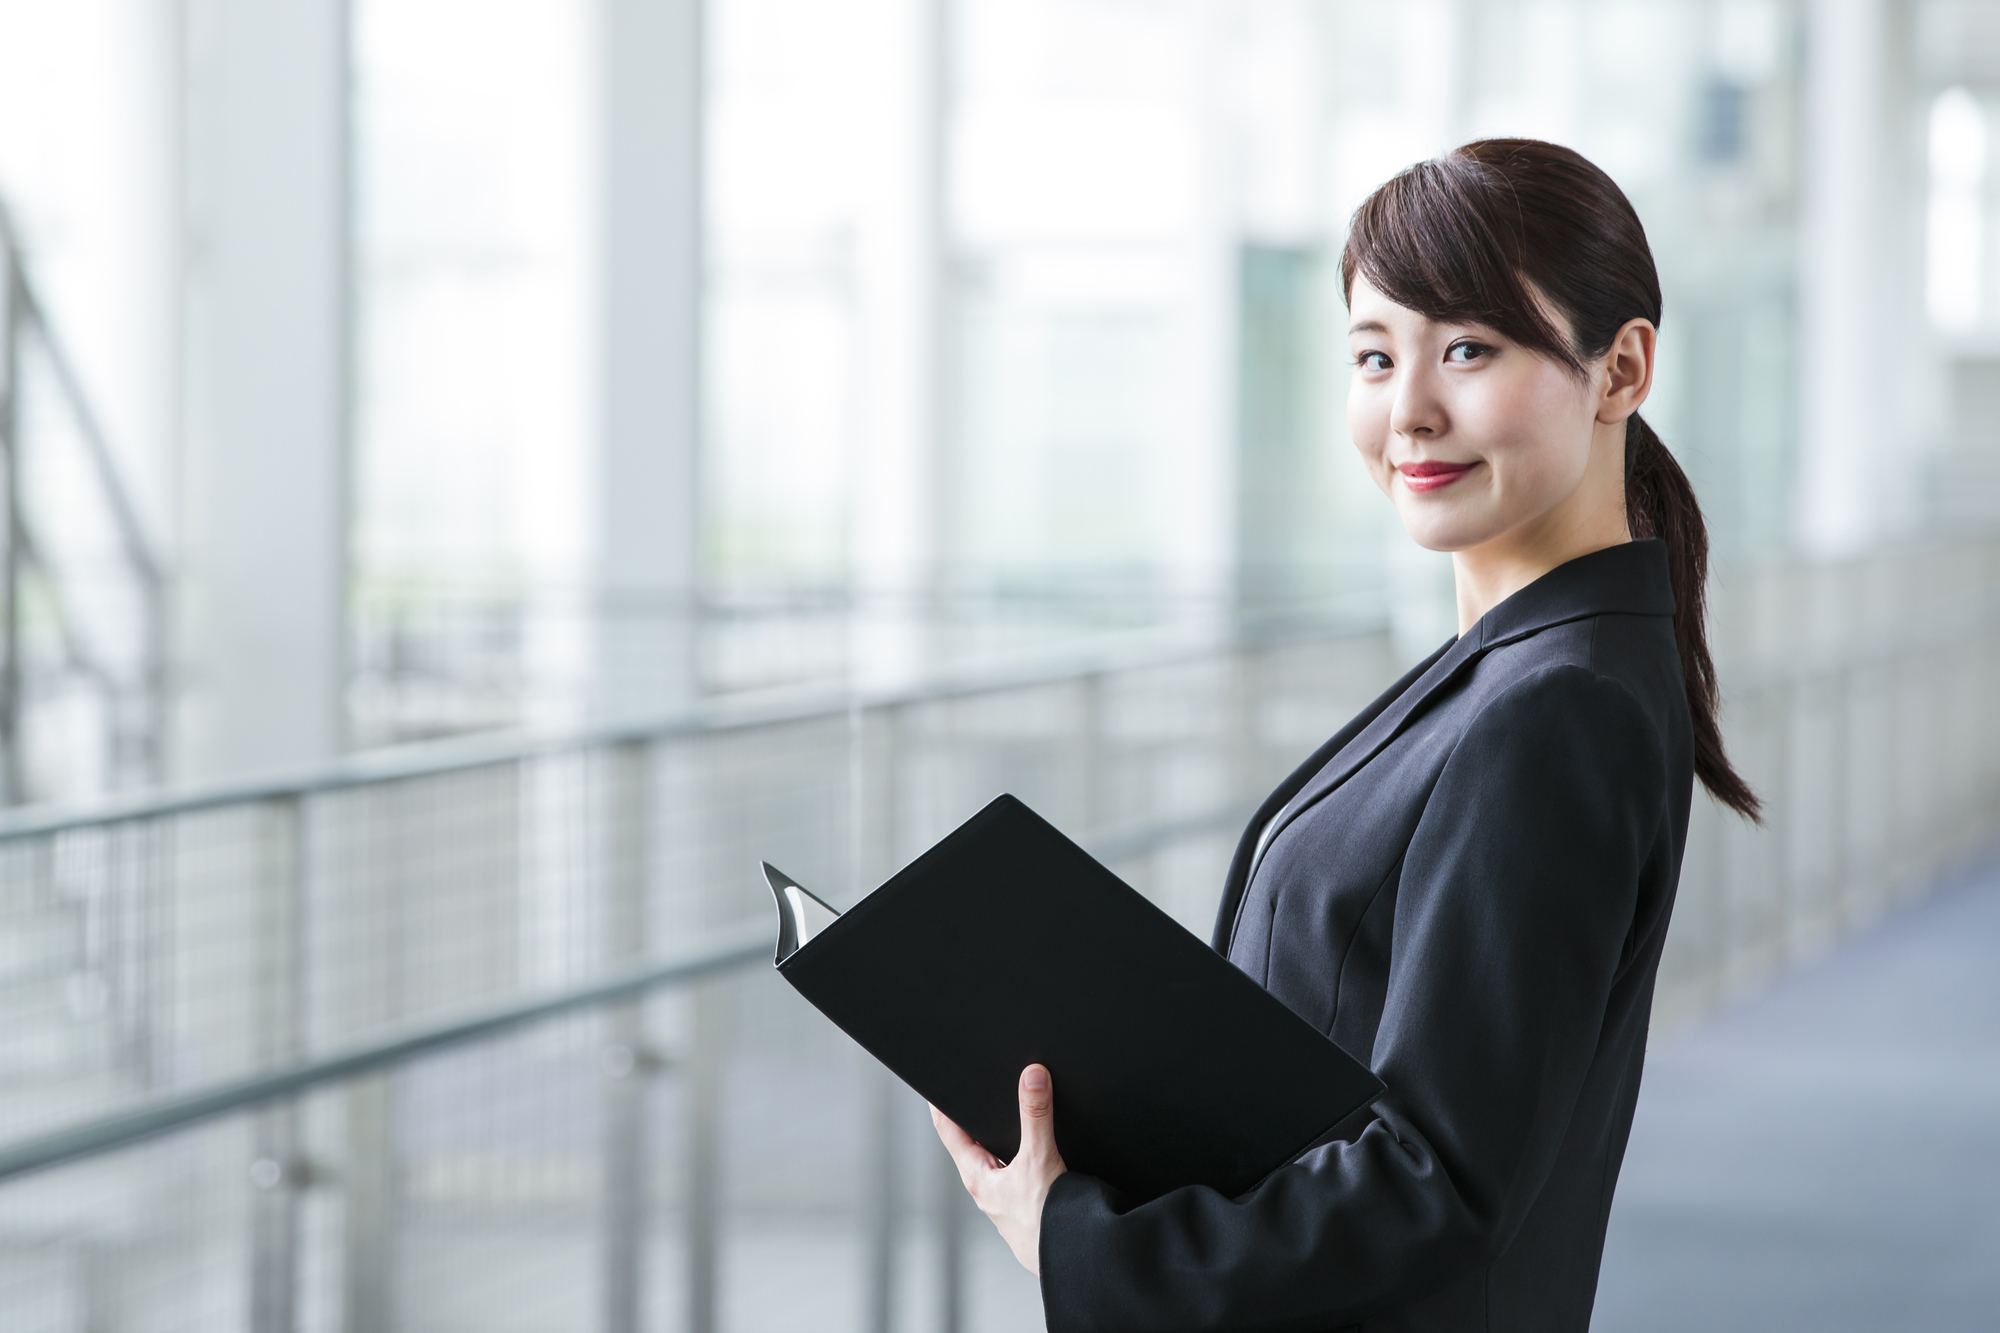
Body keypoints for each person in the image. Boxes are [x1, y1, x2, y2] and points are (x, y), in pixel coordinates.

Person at [931, 138, 1762, 1332]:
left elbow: (1435, 1183)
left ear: (1619, 368)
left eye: (1468, 349)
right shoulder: (1516, 669)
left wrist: (1086, 1239)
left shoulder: (1554, 708)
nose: (1409, 410)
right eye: (1375, 356)